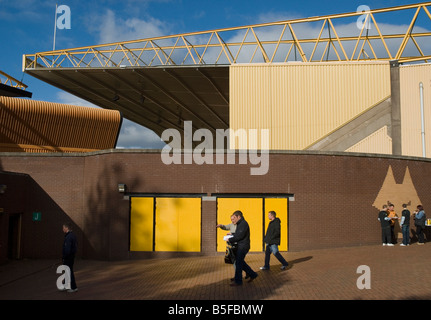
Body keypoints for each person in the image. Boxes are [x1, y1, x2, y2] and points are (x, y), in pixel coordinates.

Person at [227, 210, 258, 286]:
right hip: (241, 246)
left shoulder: (243, 224)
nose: (232, 220)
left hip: (243, 247)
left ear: (238, 217)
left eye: (234, 218)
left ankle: (238, 281)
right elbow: (240, 233)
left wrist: (230, 239)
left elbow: (240, 236)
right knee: (240, 262)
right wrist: (232, 233)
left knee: (238, 263)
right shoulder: (240, 223)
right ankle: (253, 274)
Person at [62, 222, 78, 292]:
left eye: (63, 228)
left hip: (68, 258)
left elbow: (67, 249)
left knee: (69, 272)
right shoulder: (73, 236)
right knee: (67, 271)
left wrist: (64, 256)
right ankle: (66, 286)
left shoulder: (68, 237)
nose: (62, 229)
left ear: (66, 228)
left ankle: (73, 287)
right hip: (71, 257)